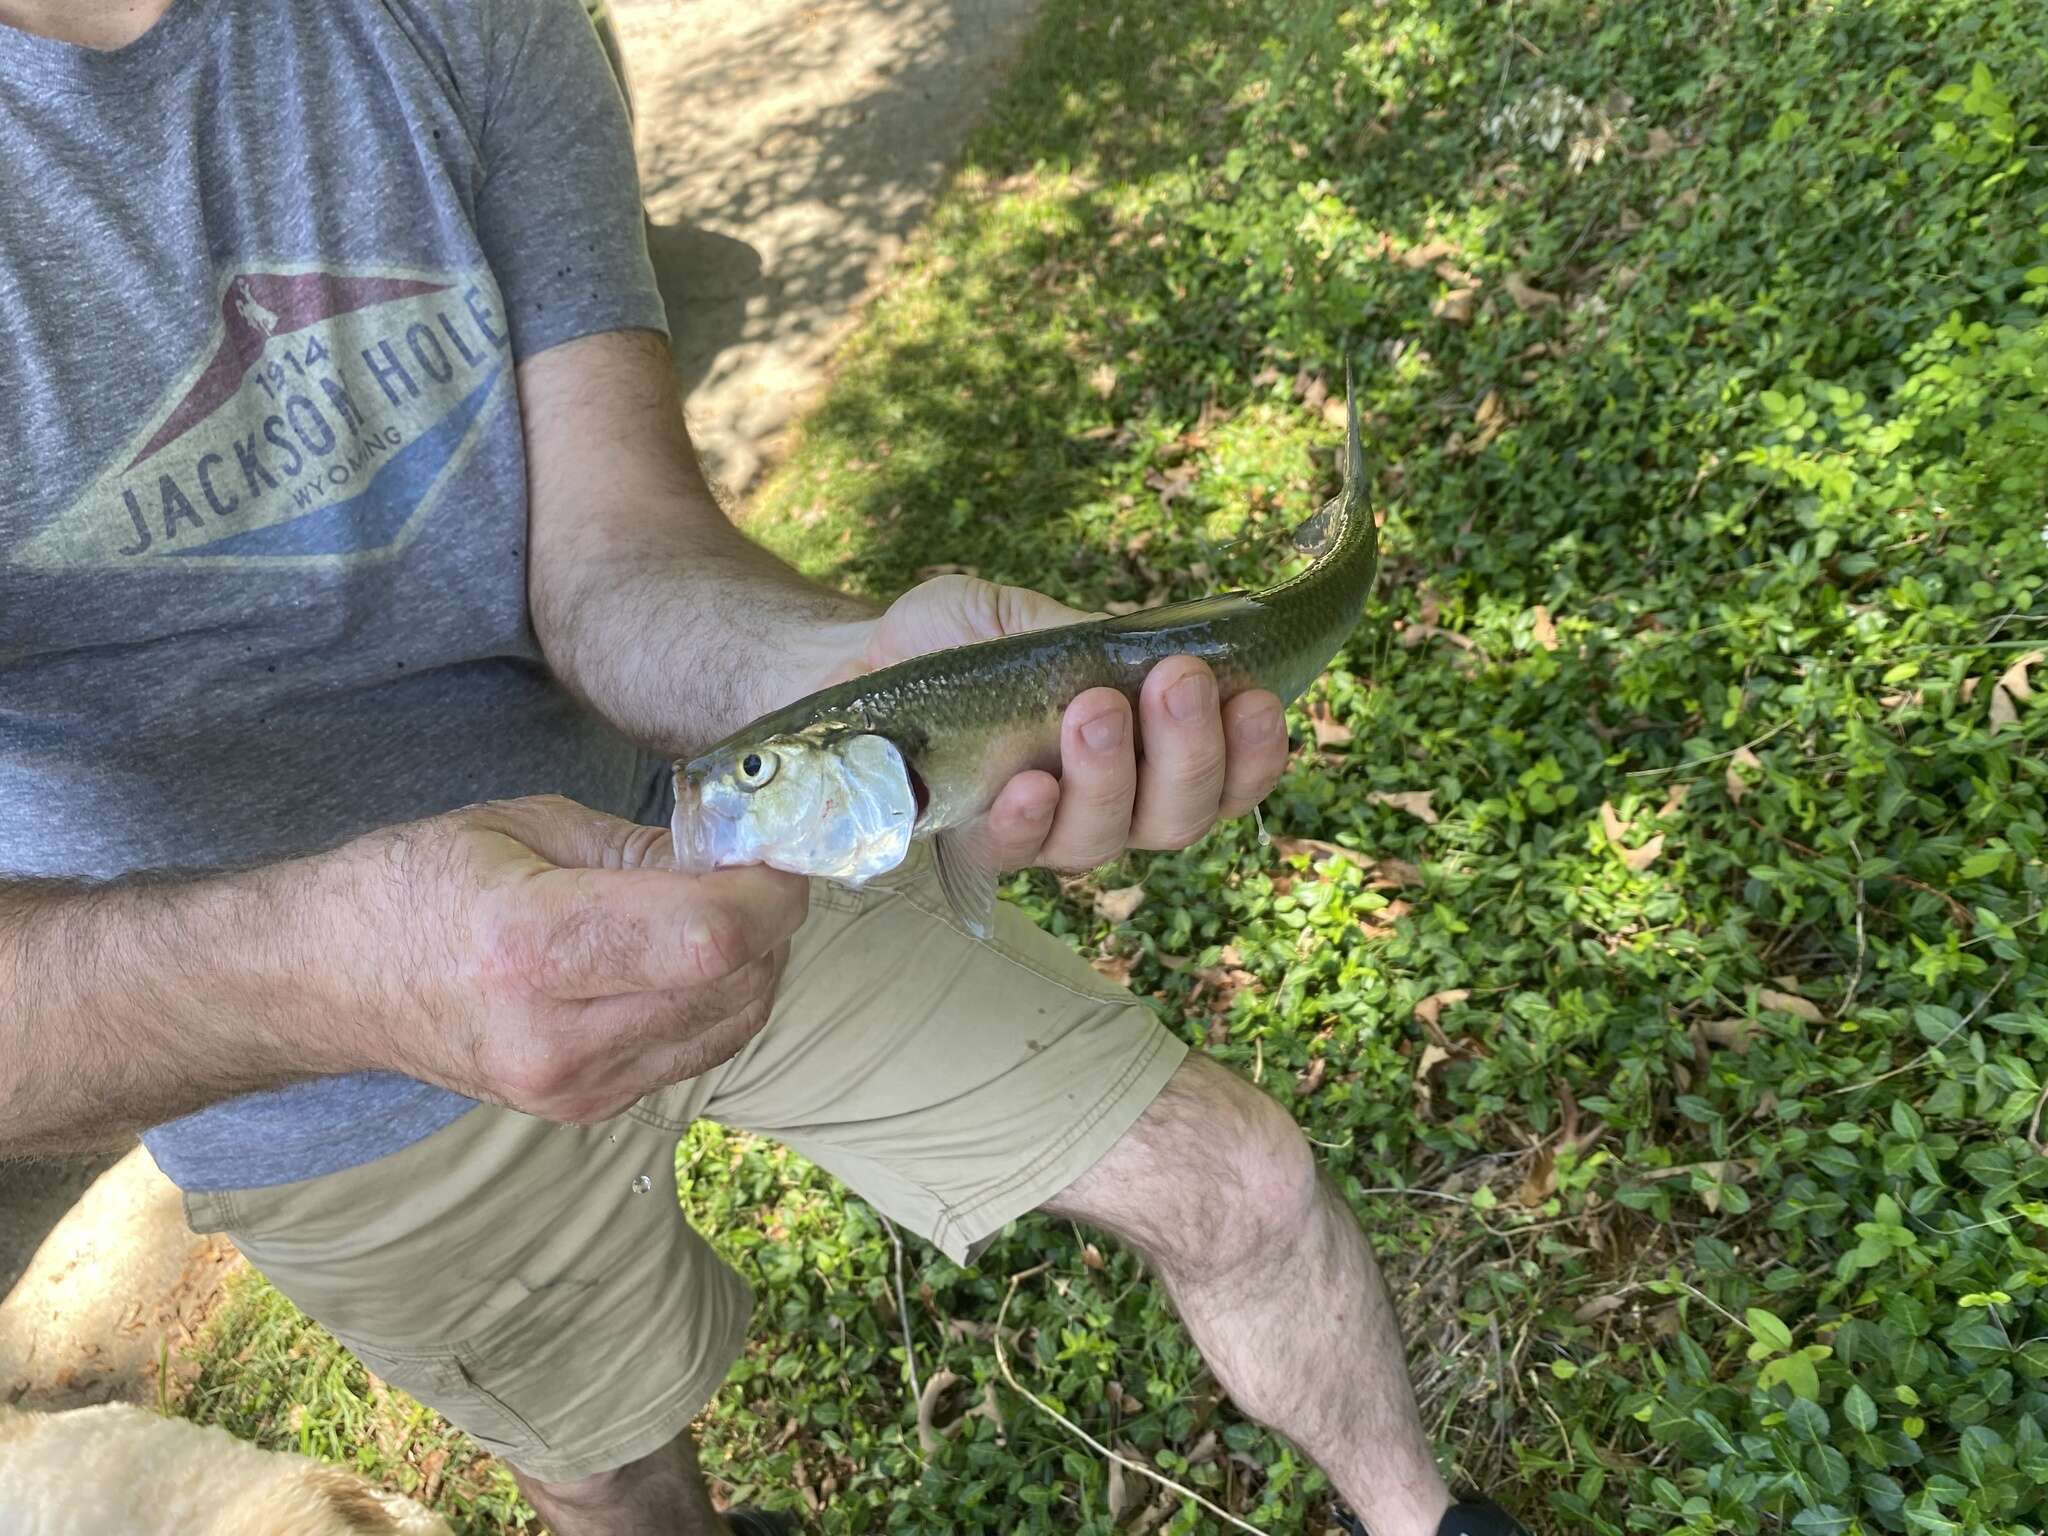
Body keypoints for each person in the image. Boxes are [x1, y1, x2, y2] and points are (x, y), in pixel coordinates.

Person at [0, 2, 1524, 1533]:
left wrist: (841, 679)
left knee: (1244, 1183)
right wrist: (324, 967)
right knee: (619, 1477)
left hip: (734, 858)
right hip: (302, 1078)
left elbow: (613, 553)